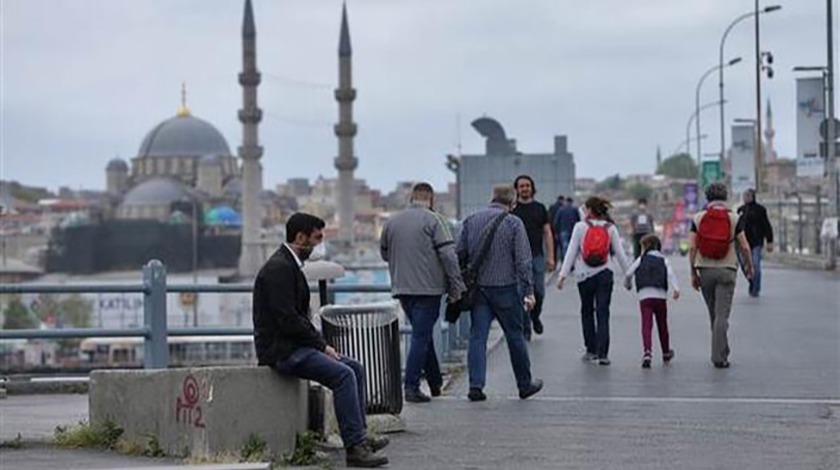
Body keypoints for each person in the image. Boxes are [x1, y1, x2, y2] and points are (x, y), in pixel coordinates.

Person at [253, 213, 388, 468]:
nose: (318, 245)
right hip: (282, 351)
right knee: (343, 375)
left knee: (355, 368)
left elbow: (295, 319)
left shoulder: (289, 266)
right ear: (300, 237)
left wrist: (318, 345)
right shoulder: (279, 269)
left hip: (296, 344)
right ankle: (355, 448)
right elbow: (288, 320)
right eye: (316, 238)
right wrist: (322, 345)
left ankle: (360, 435)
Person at [457, 184, 544, 402]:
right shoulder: (514, 223)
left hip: (479, 291)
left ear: (492, 198)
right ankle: (524, 384)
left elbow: (459, 254)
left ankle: (475, 385)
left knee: (478, 337)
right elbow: (523, 261)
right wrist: (529, 291)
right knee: (515, 336)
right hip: (506, 289)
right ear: (512, 202)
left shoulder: (471, 220)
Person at [380, 182, 465, 403]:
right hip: (428, 289)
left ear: (412, 198)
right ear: (431, 198)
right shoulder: (435, 220)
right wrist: (457, 286)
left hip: (402, 288)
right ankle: (411, 386)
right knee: (421, 335)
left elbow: (384, 253)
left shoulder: (391, 221)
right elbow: (448, 255)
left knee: (421, 333)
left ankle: (435, 382)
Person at [556, 196, 630, 366]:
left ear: (589, 210)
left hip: (584, 276)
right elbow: (620, 254)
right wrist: (628, 276)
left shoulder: (580, 227)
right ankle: (604, 354)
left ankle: (591, 350)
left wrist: (562, 275)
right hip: (605, 274)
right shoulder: (611, 228)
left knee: (587, 311)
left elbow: (571, 252)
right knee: (603, 312)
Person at [689, 183, 753, 369]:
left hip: (705, 269)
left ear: (708, 198)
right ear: (725, 198)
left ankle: (720, 352)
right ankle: (719, 356)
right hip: (727, 270)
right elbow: (745, 246)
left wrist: (693, 272)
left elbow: (692, 247)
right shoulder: (734, 218)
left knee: (714, 315)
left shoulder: (698, 218)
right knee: (722, 316)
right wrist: (750, 266)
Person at [624, 234, 680, 368]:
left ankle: (647, 352)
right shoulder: (664, 260)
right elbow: (671, 274)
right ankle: (666, 352)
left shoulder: (640, 259)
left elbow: (628, 274)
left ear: (645, 247)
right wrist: (676, 289)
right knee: (662, 325)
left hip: (644, 295)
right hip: (660, 296)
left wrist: (628, 285)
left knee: (646, 325)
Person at [511, 175, 555, 339]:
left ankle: (535, 316)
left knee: (539, 292)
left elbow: (547, 233)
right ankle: (526, 326)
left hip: (537, 256)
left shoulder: (540, 208)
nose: (525, 189)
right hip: (517, 259)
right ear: (516, 189)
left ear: (532, 188)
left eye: (527, 186)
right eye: (521, 186)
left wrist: (551, 257)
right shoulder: (513, 209)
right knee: (521, 294)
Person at [736, 188, 774, 297]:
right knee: (744, 265)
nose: (745, 198)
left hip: (756, 242)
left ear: (752, 197)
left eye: (748, 196)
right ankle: (752, 282)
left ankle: (755, 288)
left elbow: (767, 226)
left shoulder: (760, 210)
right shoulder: (740, 210)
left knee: (755, 265)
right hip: (742, 243)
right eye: (744, 196)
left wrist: (769, 241)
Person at [554, 196, 581, 263]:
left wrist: (556, 231)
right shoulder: (575, 209)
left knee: (564, 247)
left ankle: (566, 262)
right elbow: (578, 220)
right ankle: (573, 262)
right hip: (573, 231)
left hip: (563, 230)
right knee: (573, 247)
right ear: (572, 202)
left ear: (566, 201)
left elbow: (556, 221)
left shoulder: (561, 209)